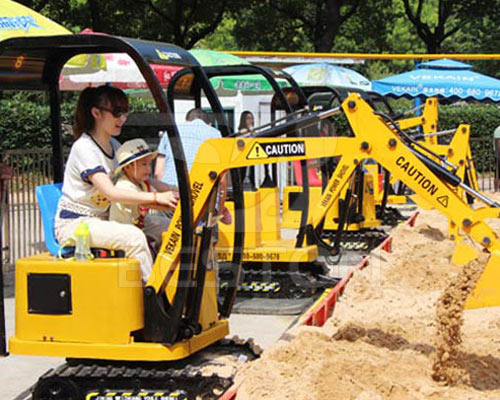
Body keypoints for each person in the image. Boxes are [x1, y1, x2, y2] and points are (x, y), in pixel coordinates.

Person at [54, 85, 178, 283]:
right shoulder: (85, 148)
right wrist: (156, 197)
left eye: (125, 112)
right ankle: (151, 298)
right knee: (134, 238)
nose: (123, 119)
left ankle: (174, 288)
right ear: (96, 113)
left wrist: (175, 191)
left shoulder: (113, 145)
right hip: (78, 224)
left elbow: (141, 176)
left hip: (108, 218)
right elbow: (110, 192)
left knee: (171, 228)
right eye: (117, 112)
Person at [154, 108, 230, 223]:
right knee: (205, 237)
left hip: (170, 197)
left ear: (187, 120)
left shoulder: (170, 132)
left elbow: (158, 173)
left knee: (168, 236)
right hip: (201, 199)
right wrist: (218, 211)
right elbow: (223, 180)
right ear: (208, 124)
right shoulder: (215, 134)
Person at [109, 139, 172, 254]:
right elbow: (146, 202)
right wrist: (169, 203)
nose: (148, 169)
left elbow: (164, 188)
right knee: (138, 238)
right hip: (123, 228)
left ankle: (162, 255)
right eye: (143, 164)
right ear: (127, 167)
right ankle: (149, 269)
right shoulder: (124, 186)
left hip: (138, 223)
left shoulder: (141, 182)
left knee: (168, 225)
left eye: (149, 164)